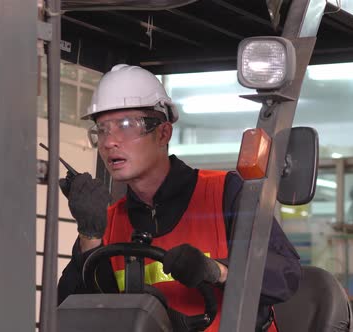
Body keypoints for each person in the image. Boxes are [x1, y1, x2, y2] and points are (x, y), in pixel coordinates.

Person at [57, 64, 301, 331]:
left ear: (163, 133)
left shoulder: (225, 193)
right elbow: (76, 313)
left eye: (125, 126)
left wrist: (215, 270)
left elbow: (285, 275)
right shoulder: (110, 221)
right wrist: (89, 237)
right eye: (102, 130)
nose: (108, 142)